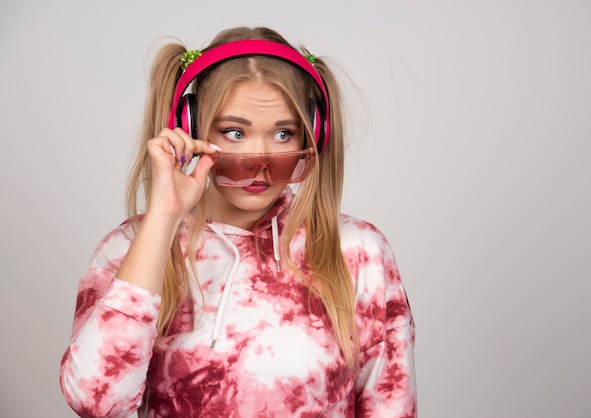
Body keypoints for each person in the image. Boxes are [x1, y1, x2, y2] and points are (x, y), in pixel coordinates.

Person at [60, 26, 416, 417]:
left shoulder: (356, 250)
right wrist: (163, 217)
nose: (259, 161)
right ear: (191, 128)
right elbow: (96, 401)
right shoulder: (132, 246)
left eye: (283, 134)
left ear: (313, 135)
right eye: (234, 132)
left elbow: (391, 405)